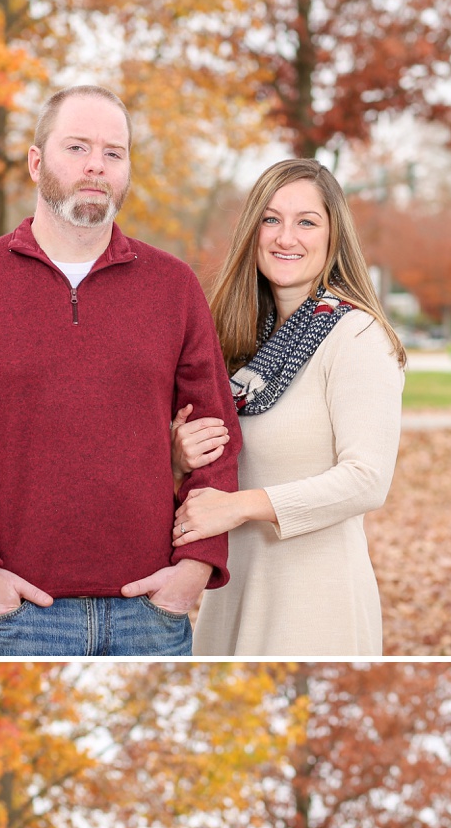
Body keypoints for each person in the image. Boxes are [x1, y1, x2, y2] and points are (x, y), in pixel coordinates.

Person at [0, 85, 242, 658]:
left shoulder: (173, 287)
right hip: (10, 620)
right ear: (36, 162)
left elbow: (219, 443)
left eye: (114, 152)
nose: (96, 167)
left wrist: (196, 567)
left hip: (149, 618)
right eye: (77, 147)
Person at [170, 158, 406, 656]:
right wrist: (178, 456)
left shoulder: (357, 336)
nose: (285, 237)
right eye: (271, 219)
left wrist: (238, 508)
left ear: (333, 235)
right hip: (233, 592)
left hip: (314, 601)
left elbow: (368, 478)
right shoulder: (238, 345)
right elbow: (216, 472)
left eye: (306, 221)